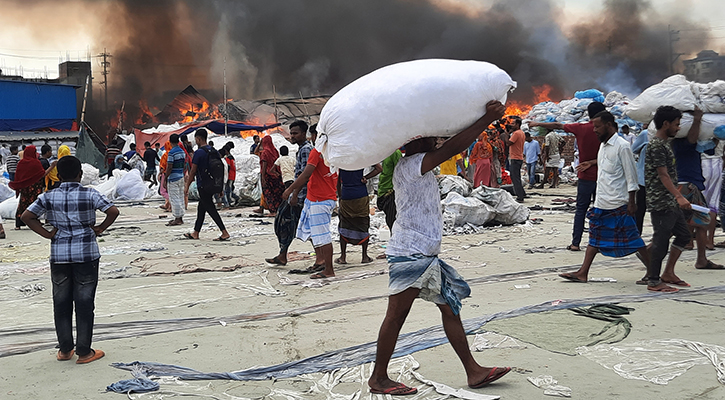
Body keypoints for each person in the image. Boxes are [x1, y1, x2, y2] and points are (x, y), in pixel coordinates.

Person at [368, 101, 510, 396]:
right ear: (416, 141)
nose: (436, 140)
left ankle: (473, 371)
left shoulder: (415, 166)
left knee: (450, 309)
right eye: (430, 136)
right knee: (396, 315)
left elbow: (448, 146)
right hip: (410, 253)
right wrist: (486, 119)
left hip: (424, 254)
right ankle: (378, 378)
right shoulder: (411, 165)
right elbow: (454, 146)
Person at [21, 155, 119, 364]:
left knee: (61, 301)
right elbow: (113, 211)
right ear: (80, 175)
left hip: (59, 255)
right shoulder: (90, 194)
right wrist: (100, 228)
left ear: (58, 175)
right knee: (84, 302)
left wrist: (47, 234)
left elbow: (26, 216)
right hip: (86, 254)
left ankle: (65, 349)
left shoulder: (48, 196)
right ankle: (84, 352)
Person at [557, 112, 654, 285]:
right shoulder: (603, 146)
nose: (594, 130)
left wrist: (632, 202)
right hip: (602, 202)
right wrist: (591, 163)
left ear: (609, 125)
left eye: (597, 126)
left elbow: (631, 177)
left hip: (618, 203)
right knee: (594, 240)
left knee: (634, 240)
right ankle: (582, 273)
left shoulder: (623, 146)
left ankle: (653, 273)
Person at [530, 102, 606, 251]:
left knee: (581, 210)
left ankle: (575, 243)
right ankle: (599, 242)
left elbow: (559, 125)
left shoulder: (581, 128)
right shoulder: (606, 132)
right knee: (600, 209)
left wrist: (536, 123)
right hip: (603, 177)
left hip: (585, 177)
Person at [644, 106, 702, 291]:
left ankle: (668, 272)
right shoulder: (657, 146)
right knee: (661, 240)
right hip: (661, 200)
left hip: (669, 200)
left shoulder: (665, 144)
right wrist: (679, 196)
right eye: (676, 124)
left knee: (684, 235)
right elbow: (663, 175)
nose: (678, 128)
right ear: (666, 124)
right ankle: (653, 280)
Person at [670, 108, 723, 269]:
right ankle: (651, 254)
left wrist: (716, 134)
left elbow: (708, 146)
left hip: (692, 183)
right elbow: (692, 140)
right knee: (679, 225)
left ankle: (701, 258)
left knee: (699, 222)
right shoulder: (679, 142)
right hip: (687, 185)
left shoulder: (691, 143)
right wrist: (698, 120)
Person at [281, 143, 338, 279]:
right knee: (313, 231)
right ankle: (321, 260)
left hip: (320, 199)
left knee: (323, 235)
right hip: (321, 197)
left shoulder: (316, 152)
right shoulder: (333, 151)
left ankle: (329, 270)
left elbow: (306, 174)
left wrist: (290, 190)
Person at [266, 120, 312, 266]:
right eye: (291, 133)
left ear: (304, 134)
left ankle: (322, 256)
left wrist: (294, 192)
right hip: (298, 193)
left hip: (301, 195)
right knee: (287, 223)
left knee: (293, 224)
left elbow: (305, 175)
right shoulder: (301, 150)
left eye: (295, 133)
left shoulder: (305, 150)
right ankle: (282, 254)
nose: (292, 136)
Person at [183, 128, 230, 241]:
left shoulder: (199, 152)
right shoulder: (213, 150)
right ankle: (196, 232)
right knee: (201, 208)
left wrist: (187, 186)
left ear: (198, 139)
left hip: (203, 184)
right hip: (213, 183)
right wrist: (220, 187)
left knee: (210, 208)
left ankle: (224, 232)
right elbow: (220, 169)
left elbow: (193, 171)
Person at [336, 167, 381, 265]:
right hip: (361, 195)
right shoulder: (360, 158)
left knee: (345, 223)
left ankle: (343, 256)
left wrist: (340, 196)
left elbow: (338, 181)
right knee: (363, 223)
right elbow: (379, 168)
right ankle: (364, 256)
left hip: (346, 195)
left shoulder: (342, 161)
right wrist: (366, 177)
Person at [9, 145, 47, 230]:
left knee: (23, 204)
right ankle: (34, 221)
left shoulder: (21, 163)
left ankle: (18, 223)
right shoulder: (36, 163)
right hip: (35, 187)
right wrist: (51, 168)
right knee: (34, 204)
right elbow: (42, 174)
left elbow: (18, 176)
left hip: (25, 187)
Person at [700, 140, 724, 248]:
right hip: (718, 164)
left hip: (702, 163)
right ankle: (710, 240)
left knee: (698, 203)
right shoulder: (721, 130)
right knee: (713, 205)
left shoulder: (704, 128)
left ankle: (691, 240)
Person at [377, 149, 403, 232]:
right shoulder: (384, 153)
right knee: (389, 220)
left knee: (392, 221)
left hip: (391, 191)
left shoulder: (395, 153)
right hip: (383, 190)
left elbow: (400, 172)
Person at [257, 136, 284, 217]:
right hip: (276, 174)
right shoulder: (275, 151)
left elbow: (264, 165)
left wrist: (263, 177)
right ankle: (278, 210)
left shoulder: (265, 152)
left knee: (269, 194)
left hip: (268, 176)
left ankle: (273, 211)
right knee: (277, 194)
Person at [165, 134, 186, 226]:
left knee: (174, 198)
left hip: (173, 178)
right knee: (181, 197)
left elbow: (169, 167)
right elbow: (185, 165)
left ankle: (177, 219)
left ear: (170, 142)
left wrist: (165, 177)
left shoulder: (171, 153)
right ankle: (180, 217)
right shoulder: (182, 152)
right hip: (181, 176)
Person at [631, 130, 649, 235]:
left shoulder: (645, 134)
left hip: (643, 179)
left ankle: (637, 235)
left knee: (640, 210)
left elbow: (634, 149)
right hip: (646, 179)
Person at [505, 118, 526, 202]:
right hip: (519, 157)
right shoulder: (522, 133)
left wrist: (506, 134)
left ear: (517, 124)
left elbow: (508, 143)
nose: (511, 125)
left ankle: (520, 197)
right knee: (517, 177)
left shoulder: (516, 133)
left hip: (515, 158)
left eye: (513, 124)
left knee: (515, 177)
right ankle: (522, 193)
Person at [158, 141, 173, 212]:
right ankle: (168, 205)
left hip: (165, 174)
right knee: (170, 190)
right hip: (173, 174)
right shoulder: (174, 154)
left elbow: (163, 166)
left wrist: (160, 174)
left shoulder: (166, 155)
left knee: (163, 191)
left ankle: (171, 202)